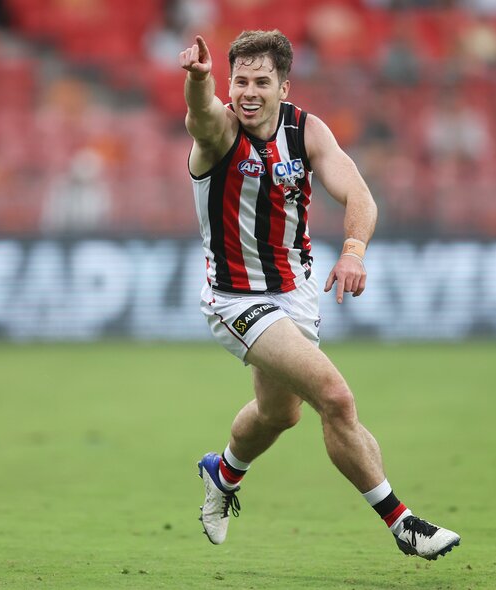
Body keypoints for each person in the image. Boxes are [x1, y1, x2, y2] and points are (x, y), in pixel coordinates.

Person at [179, 30, 460, 559]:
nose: (248, 93)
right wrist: (200, 80)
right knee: (335, 396)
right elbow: (200, 113)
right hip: (237, 298)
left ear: (284, 87)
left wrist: (353, 250)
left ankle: (223, 473)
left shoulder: (307, 130)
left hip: (296, 293)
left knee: (279, 414)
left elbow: (359, 194)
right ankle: (403, 523)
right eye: (240, 81)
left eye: (262, 82)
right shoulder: (219, 131)